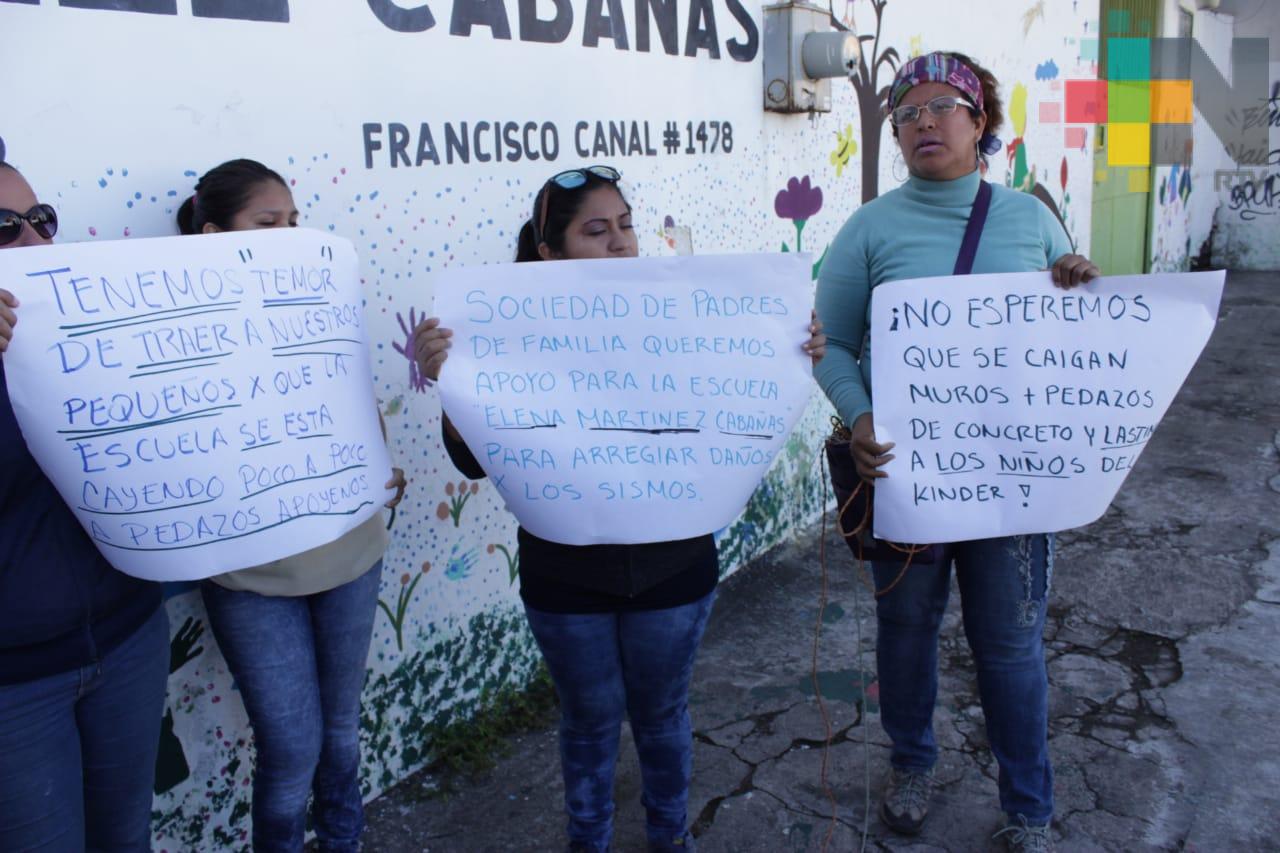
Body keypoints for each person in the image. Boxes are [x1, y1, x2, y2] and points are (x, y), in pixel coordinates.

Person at [413, 165, 826, 852]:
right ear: (548, 252)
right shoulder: (505, 329)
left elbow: (745, 378)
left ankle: (670, 837)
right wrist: (450, 385)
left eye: (626, 224)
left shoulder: (683, 305)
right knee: (588, 720)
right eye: (596, 230)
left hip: (674, 568)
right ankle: (590, 840)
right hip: (564, 575)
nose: (620, 242)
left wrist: (794, 349)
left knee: (663, 716)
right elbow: (475, 458)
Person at [814, 52, 1100, 853]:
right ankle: (912, 765)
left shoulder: (1031, 220)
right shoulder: (869, 228)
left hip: (1009, 482)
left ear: (981, 123)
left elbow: (1070, 337)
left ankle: (1030, 808)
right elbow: (831, 344)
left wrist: (1082, 283)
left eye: (943, 107)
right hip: (907, 478)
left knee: (1008, 644)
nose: (922, 123)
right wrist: (860, 416)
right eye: (906, 113)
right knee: (905, 630)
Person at [180, 159, 407, 852]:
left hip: (350, 552)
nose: (289, 234)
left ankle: (344, 841)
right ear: (215, 234)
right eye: (267, 222)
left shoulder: (322, 308)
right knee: (292, 753)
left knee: (340, 734)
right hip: (252, 577)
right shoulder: (176, 336)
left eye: (294, 220)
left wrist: (374, 462)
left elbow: (358, 419)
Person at [0, 160, 169, 851]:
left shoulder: (82, 325)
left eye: (42, 220)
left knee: (127, 836)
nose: (37, 244)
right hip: (15, 683)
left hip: (129, 635)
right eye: (4, 230)